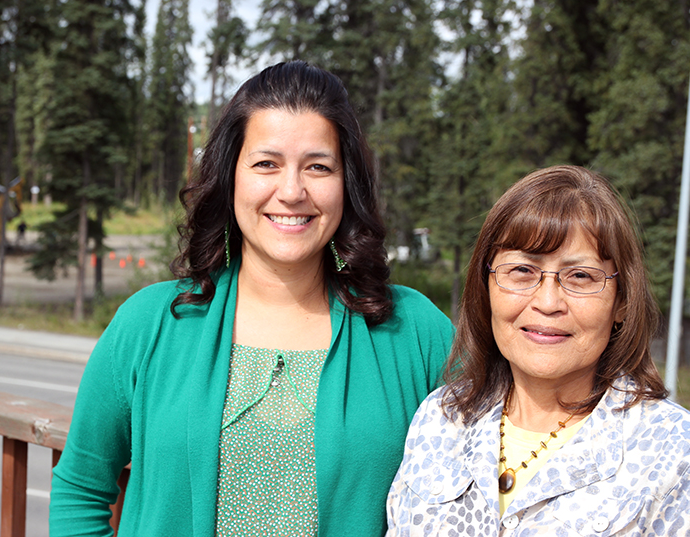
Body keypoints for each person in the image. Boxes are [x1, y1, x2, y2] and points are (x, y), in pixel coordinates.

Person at [50, 61, 454, 536]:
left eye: (318, 167)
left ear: (347, 184)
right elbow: (81, 488)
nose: (291, 191)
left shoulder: (414, 332)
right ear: (231, 176)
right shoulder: (149, 324)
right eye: (267, 163)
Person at [387, 165, 690, 535]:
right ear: (487, 288)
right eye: (522, 271)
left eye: (580, 276)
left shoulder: (674, 453)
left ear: (622, 302)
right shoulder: (441, 419)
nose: (548, 302)